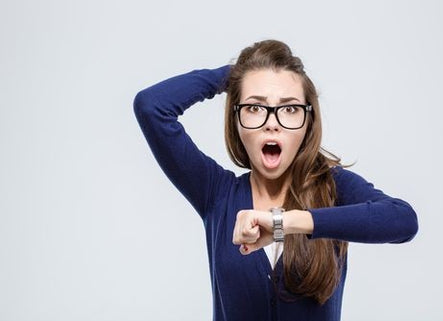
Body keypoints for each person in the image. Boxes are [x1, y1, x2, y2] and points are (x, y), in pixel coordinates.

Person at [133, 39, 418, 321]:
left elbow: (403, 220)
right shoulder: (217, 193)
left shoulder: (334, 186)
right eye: (255, 108)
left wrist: (286, 223)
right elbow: (152, 107)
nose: (273, 122)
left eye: (290, 109)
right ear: (236, 119)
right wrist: (234, 75)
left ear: (308, 122)